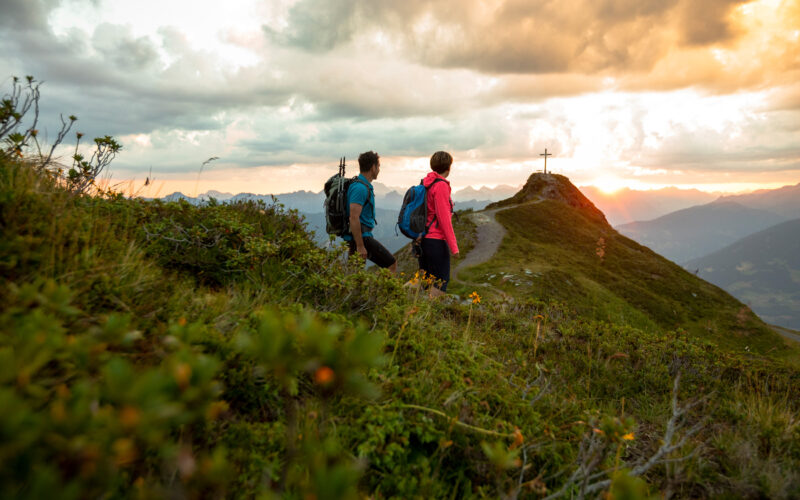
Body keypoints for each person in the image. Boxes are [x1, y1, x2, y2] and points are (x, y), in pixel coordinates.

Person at [345, 151, 397, 273]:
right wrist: (360, 245)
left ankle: (355, 292)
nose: (379, 169)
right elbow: (353, 217)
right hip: (362, 237)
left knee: (355, 275)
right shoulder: (360, 188)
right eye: (378, 166)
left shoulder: (362, 185)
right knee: (391, 264)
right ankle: (384, 292)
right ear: (373, 167)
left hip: (358, 237)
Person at [418, 151, 459, 294]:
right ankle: (430, 315)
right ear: (449, 167)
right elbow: (444, 220)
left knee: (426, 284)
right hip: (435, 242)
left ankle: (411, 311)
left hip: (423, 240)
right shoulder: (440, 185)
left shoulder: (426, 183)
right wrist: (454, 247)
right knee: (440, 284)